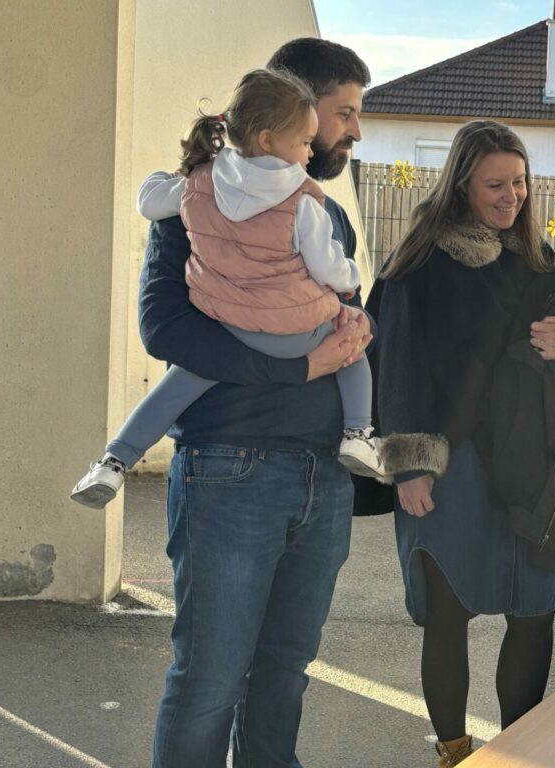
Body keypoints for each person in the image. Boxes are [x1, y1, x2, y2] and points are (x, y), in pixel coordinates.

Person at [366, 119, 555, 767]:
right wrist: (410, 466)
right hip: (453, 463)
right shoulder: (420, 261)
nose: (512, 196)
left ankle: (517, 755)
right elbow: (397, 363)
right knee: (449, 612)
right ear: (461, 185)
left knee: (534, 610)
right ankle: (453, 753)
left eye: (519, 182)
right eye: (495, 184)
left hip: (533, 456)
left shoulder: (536, 258)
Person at [123, 39, 371, 768]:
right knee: (210, 679)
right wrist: (296, 373)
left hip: (322, 476)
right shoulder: (198, 201)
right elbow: (166, 330)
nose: (354, 131)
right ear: (293, 111)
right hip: (229, 470)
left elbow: (338, 326)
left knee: (283, 676)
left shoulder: (322, 210)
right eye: (343, 114)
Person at [70, 68, 384, 511]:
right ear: (269, 139)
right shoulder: (303, 199)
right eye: (303, 142)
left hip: (229, 325)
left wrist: (165, 175)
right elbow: (330, 270)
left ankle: (114, 460)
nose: (309, 152)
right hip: (296, 334)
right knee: (351, 342)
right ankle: (359, 434)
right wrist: (349, 285)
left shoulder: (200, 184)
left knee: (178, 385)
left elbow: (149, 201)